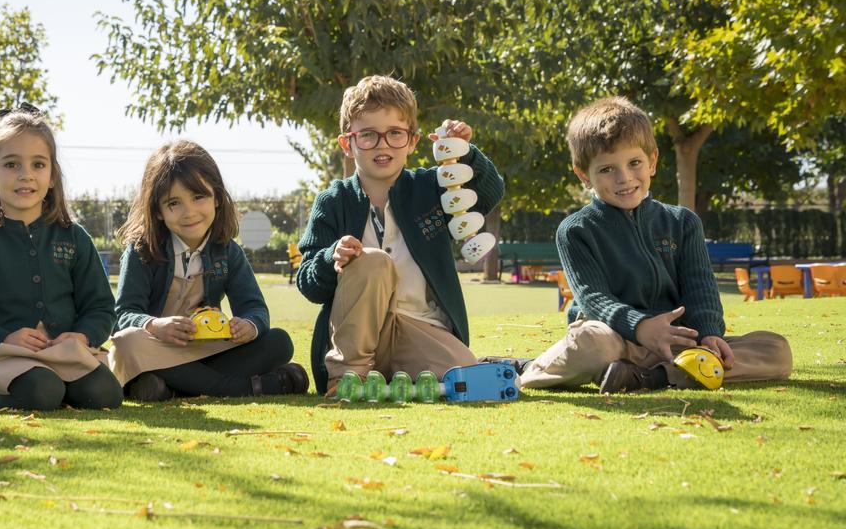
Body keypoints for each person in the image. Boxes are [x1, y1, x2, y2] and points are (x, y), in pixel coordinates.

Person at [519, 96, 792, 392]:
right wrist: (640, 327)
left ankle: (650, 378)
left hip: (680, 344)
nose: (624, 178)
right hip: (615, 340)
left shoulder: (683, 222)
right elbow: (593, 298)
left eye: (634, 163)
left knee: (776, 350)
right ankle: (527, 368)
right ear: (585, 175)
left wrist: (710, 334)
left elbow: (700, 288)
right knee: (592, 346)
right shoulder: (575, 230)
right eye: (607, 169)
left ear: (652, 161)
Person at [295, 75, 505, 396]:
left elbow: (489, 192)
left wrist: (464, 152)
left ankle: (393, 378)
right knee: (373, 262)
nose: (382, 144)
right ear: (347, 144)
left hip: (419, 325)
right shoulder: (333, 201)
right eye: (368, 135)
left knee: (466, 374)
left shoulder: (432, 188)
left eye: (395, 133)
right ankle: (347, 377)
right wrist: (332, 258)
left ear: (413, 141)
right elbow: (309, 283)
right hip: (355, 334)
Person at [0, 104, 122, 412]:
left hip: (63, 354)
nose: (26, 175)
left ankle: (50, 391)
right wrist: (5, 337)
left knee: (106, 394)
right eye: (11, 164)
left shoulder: (74, 237)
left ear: (51, 176)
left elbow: (101, 307)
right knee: (42, 390)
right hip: (1, 356)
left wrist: (83, 334)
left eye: (38, 164)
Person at [109, 140, 308, 401]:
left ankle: (168, 388)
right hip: (153, 348)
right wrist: (155, 325)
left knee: (279, 341)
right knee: (127, 342)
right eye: (173, 203)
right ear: (158, 211)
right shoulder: (142, 251)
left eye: (198, 197)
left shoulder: (228, 251)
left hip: (205, 350)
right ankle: (250, 388)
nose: (189, 212)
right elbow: (124, 314)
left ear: (216, 198)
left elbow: (255, 308)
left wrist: (249, 325)